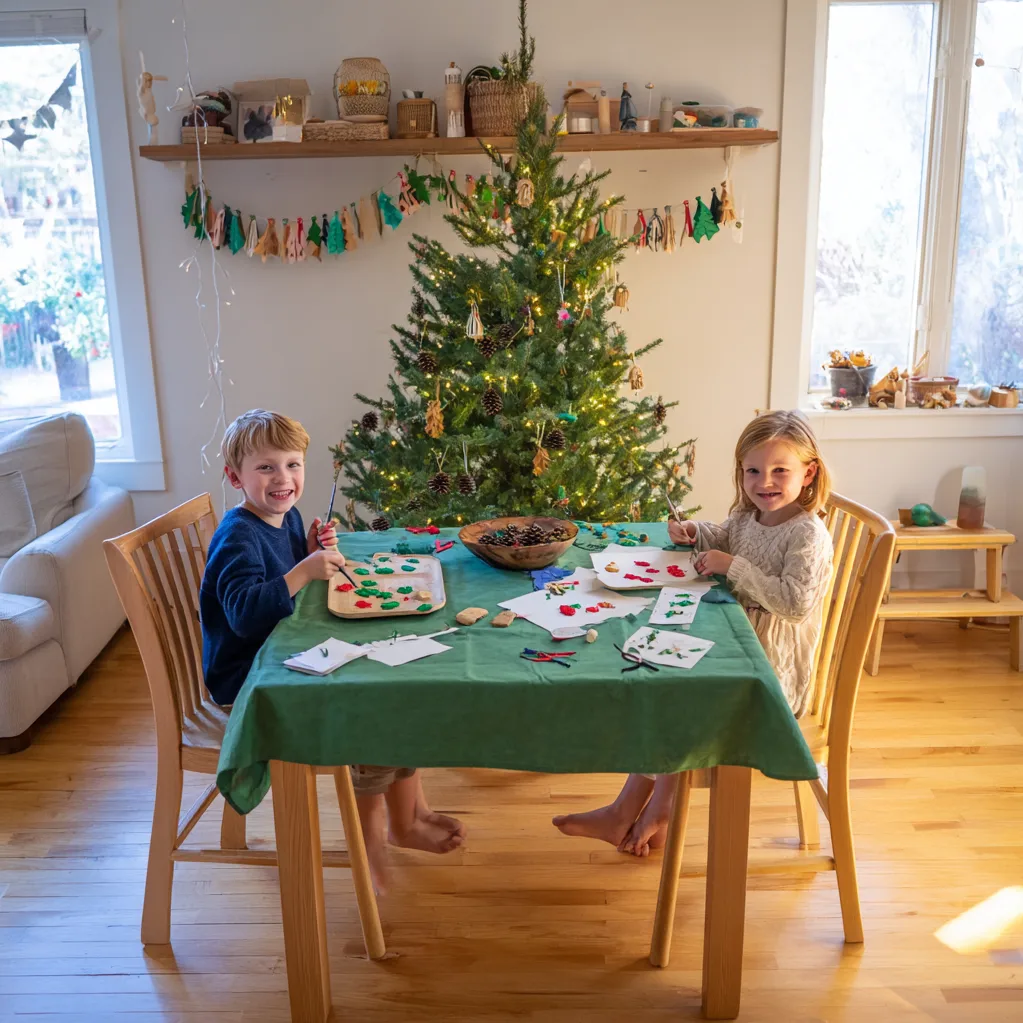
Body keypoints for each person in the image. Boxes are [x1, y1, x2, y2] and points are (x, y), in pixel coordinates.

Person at [200, 409, 464, 891]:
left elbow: (281, 568)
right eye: (266, 468)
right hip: (249, 680)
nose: (283, 479)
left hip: (279, 653)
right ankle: (373, 841)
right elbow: (242, 612)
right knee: (369, 705)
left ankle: (411, 816)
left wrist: (306, 549)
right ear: (234, 476)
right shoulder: (238, 534)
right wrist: (304, 571)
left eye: (292, 465)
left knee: (396, 684)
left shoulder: (283, 514)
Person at [553, 410, 833, 856]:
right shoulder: (748, 515)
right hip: (736, 644)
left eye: (781, 470)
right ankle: (637, 811)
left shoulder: (807, 534)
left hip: (768, 676)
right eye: (753, 471)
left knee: (682, 699)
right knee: (664, 682)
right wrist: (696, 533)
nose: (766, 482)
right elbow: (727, 538)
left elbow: (796, 604)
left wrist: (732, 567)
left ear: (809, 472)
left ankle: (648, 811)